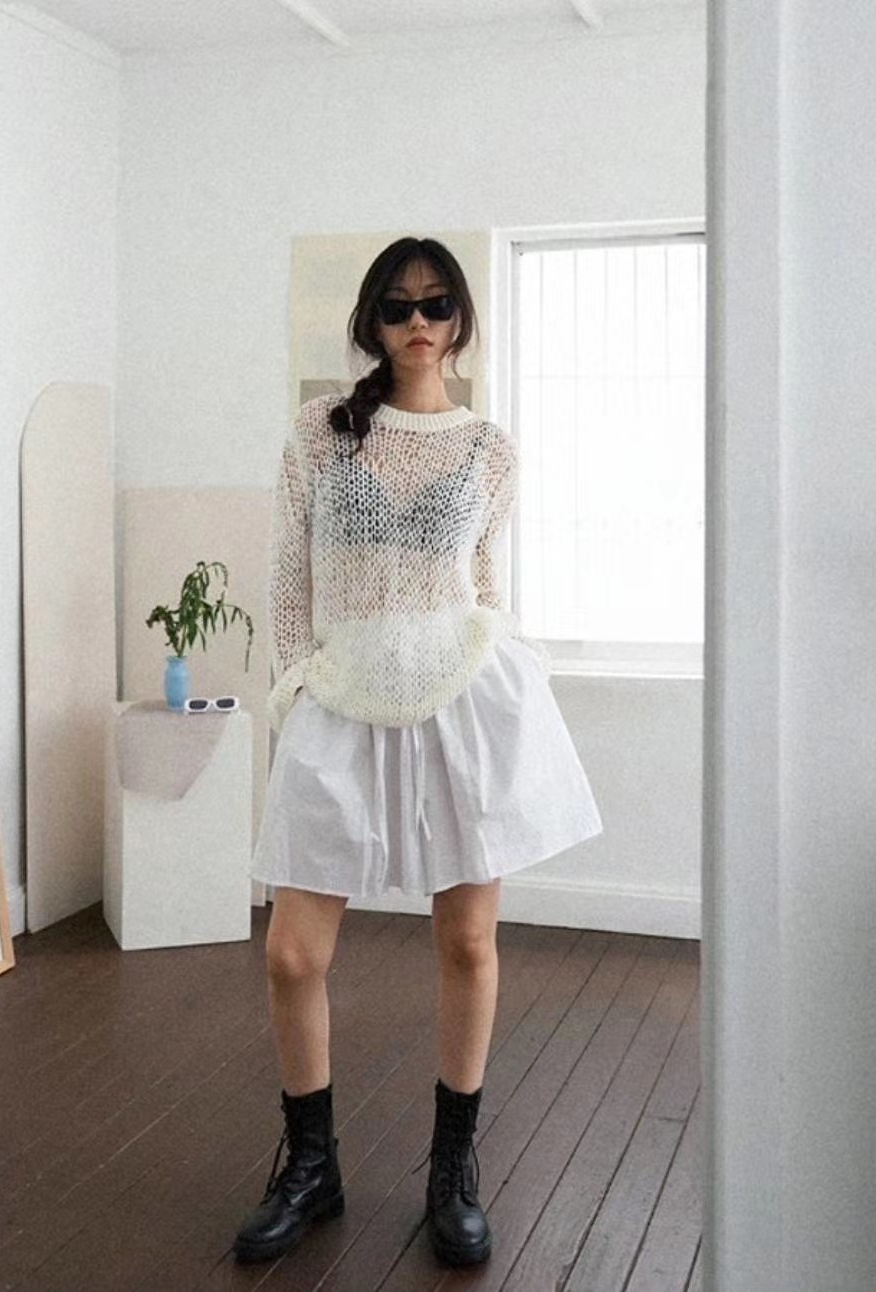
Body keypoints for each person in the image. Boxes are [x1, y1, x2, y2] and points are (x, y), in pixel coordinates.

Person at [233, 236, 603, 1268]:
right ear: (371, 321)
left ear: (461, 318)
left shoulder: (490, 449)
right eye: (397, 307)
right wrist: (297, 687)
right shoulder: (319, 433)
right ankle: (311, 1167)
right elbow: (290, 580)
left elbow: (481, 580)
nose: (418, 323)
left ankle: (452, 1171)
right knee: (292, 951)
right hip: (338, 694)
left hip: (461, 694)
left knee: (468, 942)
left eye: (436, 304)